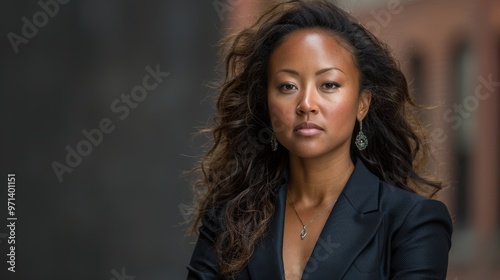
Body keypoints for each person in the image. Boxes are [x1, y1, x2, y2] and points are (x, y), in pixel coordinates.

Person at [186, 0, 453, 279]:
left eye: (328, 85)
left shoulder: (413, 222)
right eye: (288, 86)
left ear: (363, 103)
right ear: (266, 103)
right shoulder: (227, 221)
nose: (306, 104)